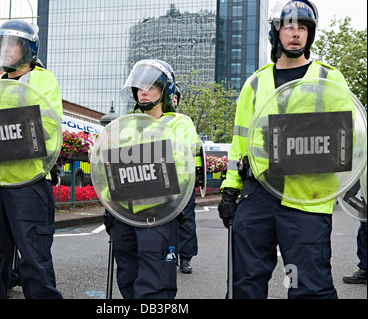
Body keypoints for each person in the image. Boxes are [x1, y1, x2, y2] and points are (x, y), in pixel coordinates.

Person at [218, 0, 350, 299]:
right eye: (289, 26)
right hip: (259, 192)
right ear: (276, 32)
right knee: (245, 283)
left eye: (302, 27)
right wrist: (229, 189)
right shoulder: (253, 84)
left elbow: (347, 139)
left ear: (310, 35)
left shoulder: (330, 79)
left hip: (306, 198)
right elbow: (240, 141)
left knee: (307, 285)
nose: (295, 33)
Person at [0, 19, 63, 299]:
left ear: (27, 49)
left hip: (29, 182)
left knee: (34, 255)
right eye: (3, 43)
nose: (6, 48)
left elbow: (48, 128)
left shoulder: (43, 79)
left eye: (13, 43)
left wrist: (6, 128)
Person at [105, 59, 202, 298]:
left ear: (165, 91)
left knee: (156, 280)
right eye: (139, 87)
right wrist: (109, 203)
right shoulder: (126, 126)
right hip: (125, 213)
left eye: (151, 86)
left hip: (159, 212)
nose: (144, 91)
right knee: (127, 276)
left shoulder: (179, 123)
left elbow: (179, 167)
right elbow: (111, 170)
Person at [172, 85, 200, 274]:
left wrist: (196, 174)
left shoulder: (184, 121)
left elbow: (195, 149)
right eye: (171, 96)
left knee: (186, 222)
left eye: (176, 97)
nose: (174, 100)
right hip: (158, 183)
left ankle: (185, 258)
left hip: (183, 182)